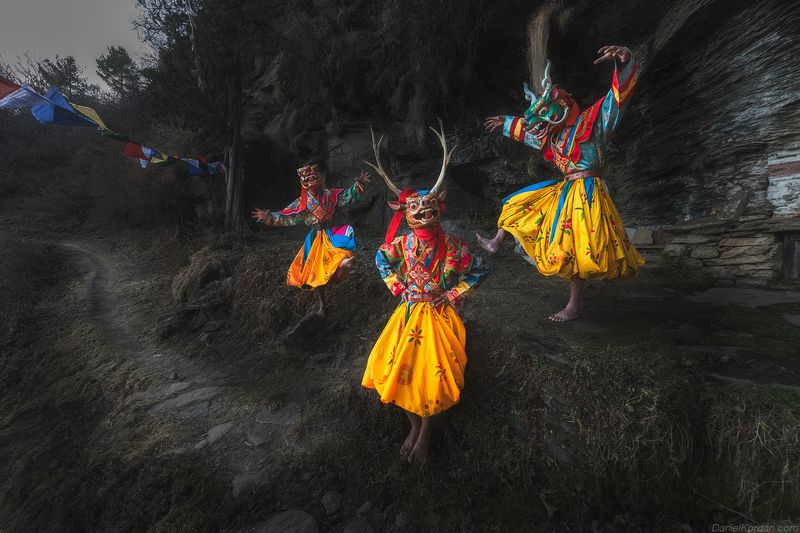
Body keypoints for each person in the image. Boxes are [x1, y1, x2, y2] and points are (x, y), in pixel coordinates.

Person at [478, 45, 644, 321]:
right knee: (517, 202)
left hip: (587, 193)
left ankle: (573, 306)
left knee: (577, 248)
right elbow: (530, 132)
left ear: (564, 106)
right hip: (566, 189)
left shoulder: (592, 123)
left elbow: (616, 102)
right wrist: (506, 122)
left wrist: (624, 62)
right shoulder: (554, 139)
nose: (541, 122)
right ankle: (497, 241)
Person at [361, 125, 489, 464]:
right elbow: (380, 259)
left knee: (432, 374)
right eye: (415, 207)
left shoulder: (455, 246)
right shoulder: (401, 245)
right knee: (393, 368)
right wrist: (399, 288)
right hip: (407, 313)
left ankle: (427, 430)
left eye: (429, 206)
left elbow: (480, 269)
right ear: (403, 212)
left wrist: (453, 294)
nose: (423, 211)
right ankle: (414, 425)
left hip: (440, 315)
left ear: (440, 206)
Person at [251, 163, 369, 318]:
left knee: (344, 246)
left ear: (319, 178)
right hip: (314, 238)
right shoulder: (301, 203)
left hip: (330, 232)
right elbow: (286, 216)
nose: (310, 181)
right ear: (303, 182)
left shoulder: (329, 195)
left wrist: (358, 184)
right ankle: (322, 305)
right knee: (315, 273)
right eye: (307, 179)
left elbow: (346, 195)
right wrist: (268, 216)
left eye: (313, 177)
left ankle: (341, 266)